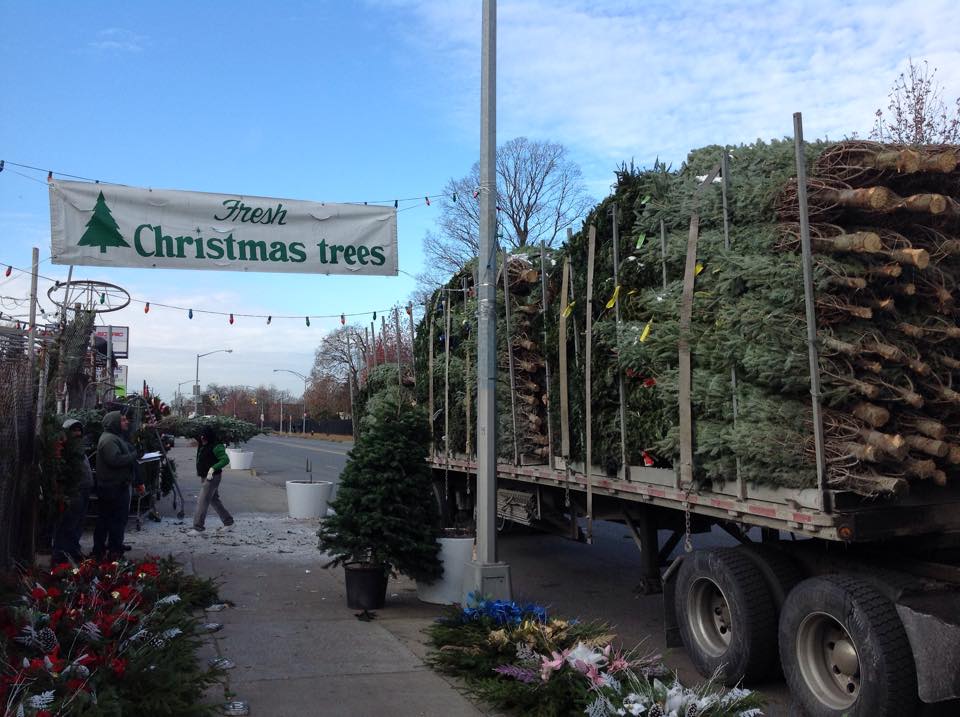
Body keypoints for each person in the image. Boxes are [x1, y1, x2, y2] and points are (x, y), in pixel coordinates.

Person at [92, 409, 144, 561]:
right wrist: (134, 455)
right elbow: (114, 460)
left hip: (117, 485)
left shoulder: (115, 437)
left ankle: (115, 546)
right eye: (122, 420)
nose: (126, 421)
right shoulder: (108, 440)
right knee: (110, 520)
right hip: (111, 487)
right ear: (114, 423)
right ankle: (106, 551)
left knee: (117, 520)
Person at [52, 419, 94, 562]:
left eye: (79, 430)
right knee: (68, 524)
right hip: (73, 492)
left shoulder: (79, 448)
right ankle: (61, 555)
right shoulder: (65, 450)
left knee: (78, 523)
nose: (77, 433)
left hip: (83, 490)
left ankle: (73, 551)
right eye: (74, 430)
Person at [193, 425, 233, 531]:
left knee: (202, 500)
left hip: (212, 477)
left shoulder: (216, 446)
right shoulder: (202, 443)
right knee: (214, 500)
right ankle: (229, 522)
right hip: (204, 476)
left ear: (209, 437)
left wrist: (213, 468)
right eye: (201, 438)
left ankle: (198, 527)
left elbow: (225, 460)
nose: (202, 441)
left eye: (204, 438)